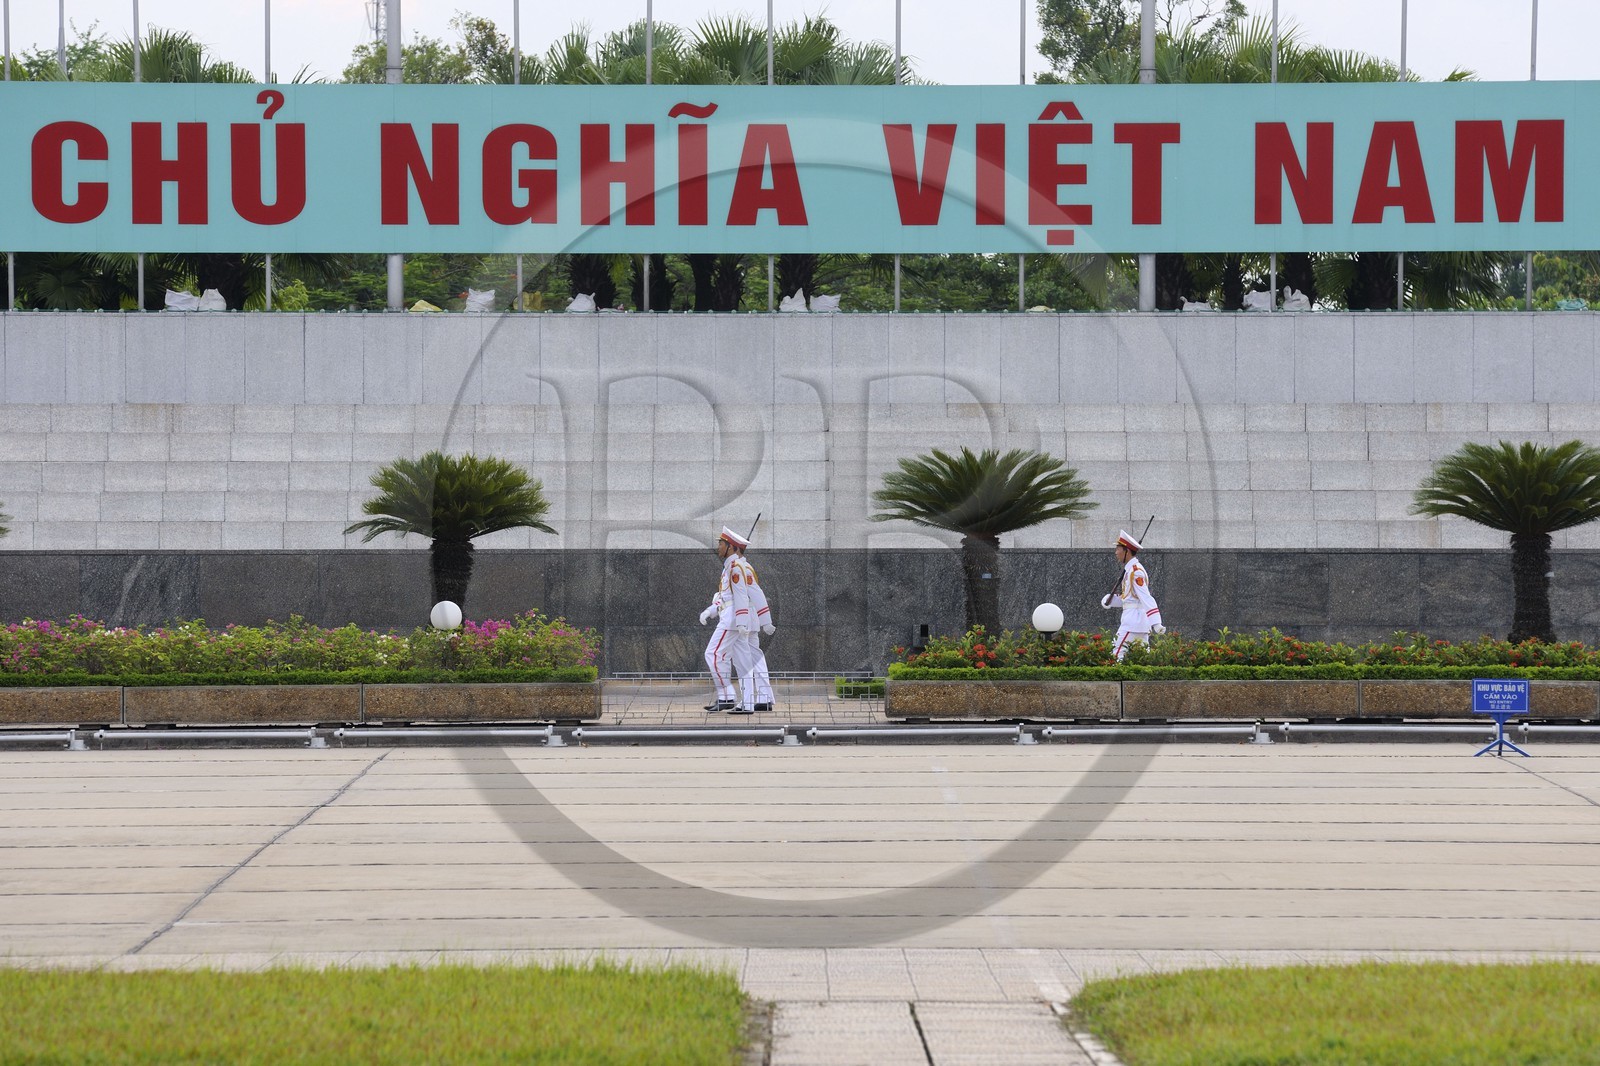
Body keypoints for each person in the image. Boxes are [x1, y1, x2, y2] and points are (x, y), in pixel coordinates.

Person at [699, 527, 777, 713]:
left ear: (732, 547)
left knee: (714, 654)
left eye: (721, 544)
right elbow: (735, 596)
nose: (718, 547)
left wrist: (747, 621)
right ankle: (754, 700)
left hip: (735, 619)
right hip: (740, 618)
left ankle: (727, 697)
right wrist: (711, 610)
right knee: (749, 660)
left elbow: (744, 596)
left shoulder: (737, 568)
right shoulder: (736, 567)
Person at [1100, 528, 1164, 661]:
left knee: (1117, 655)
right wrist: (1111, 600)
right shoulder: (1131, 571)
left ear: (1127, 551)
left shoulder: (1136, 572)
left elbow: (1145, 597)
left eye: (1118, 549)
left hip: (1132, 622)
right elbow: (1131, 599)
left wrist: (1156, 622)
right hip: (1138, 623)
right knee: (1143, 660)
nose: (1116, 552)